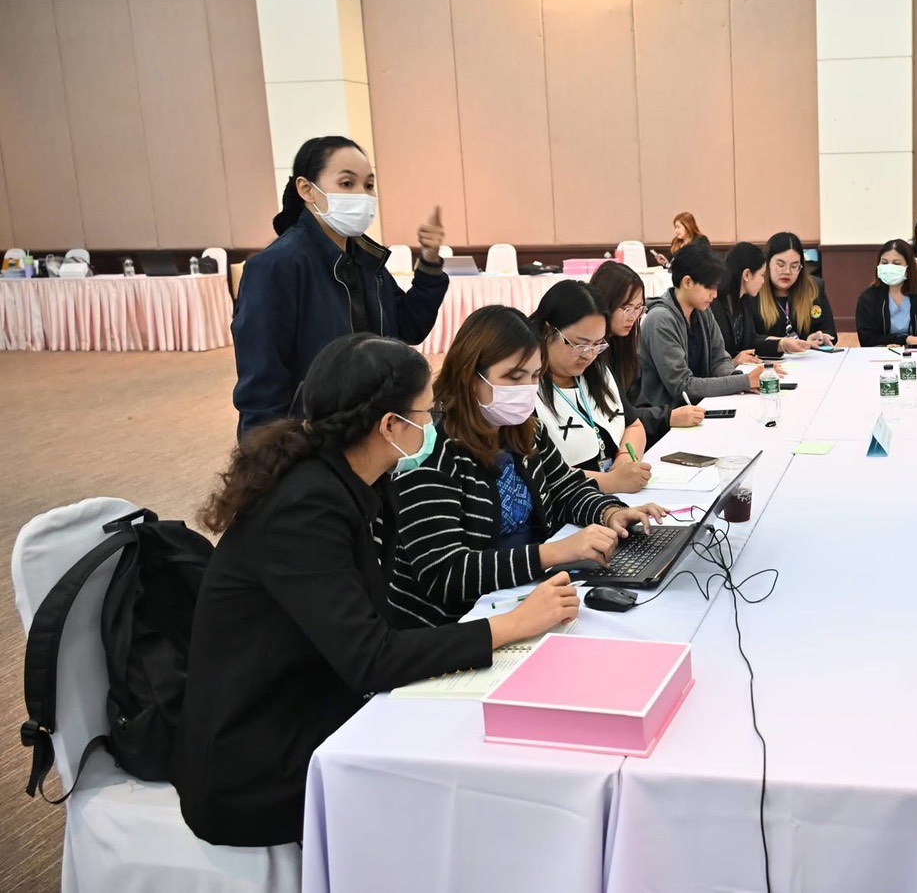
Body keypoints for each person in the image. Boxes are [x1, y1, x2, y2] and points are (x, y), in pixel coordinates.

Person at [175, 333, 580, 847]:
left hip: (320, 693)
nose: (433, 425)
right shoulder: (304, 509)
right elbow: (370, 657)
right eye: (427, 413)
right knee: (472, 781)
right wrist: (511, 625)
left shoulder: (357, 477)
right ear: (390, 425)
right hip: (259, 754)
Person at [387, 306, 664, 628]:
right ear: (470, 375)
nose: (526, 389)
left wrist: (609, 513)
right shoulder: (429, 449)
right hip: (458, 623)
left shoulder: (524, 429)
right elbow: (446, 574)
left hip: (526, 593)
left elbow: (565, 489)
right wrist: (554, 553)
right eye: (514, 377)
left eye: (535, 376)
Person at [231, 135, 448, 437]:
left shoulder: (365, 260)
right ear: (307, 189)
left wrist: (429, 262)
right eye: (347, 184)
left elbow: (408, 327)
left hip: (373, 430)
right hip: (314, 437)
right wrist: (269, 450)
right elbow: (261, 379)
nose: (362, 195)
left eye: (368, 185)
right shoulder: (277, 266)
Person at [531, 280, 653, 494]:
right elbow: (543, 471)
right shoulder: (526, 388)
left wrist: (624, 460)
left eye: (597, 344)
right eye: (580, 344)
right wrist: (610, 482)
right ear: (548, 331)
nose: (588, 355)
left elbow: (633, 426)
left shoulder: (598, 372)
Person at [588, 261, 704, 446]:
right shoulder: (590, 354)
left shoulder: (625, 345)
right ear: (606, 303)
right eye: (627, 308)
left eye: (638, 308)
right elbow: (613, 415)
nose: (633, 317)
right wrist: (667, 417)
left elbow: (636, 405)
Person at [640, 245, 765, 410]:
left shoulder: (702, 312)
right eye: (710, 287)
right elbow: (682, 386)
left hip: (702, 406)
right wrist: (742, 382)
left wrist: (738, 380)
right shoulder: (660, 319)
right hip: (668, 414)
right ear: (687, 282)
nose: (715, 294)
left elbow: (719, 360)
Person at [750, 231, 837, 353]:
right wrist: (780, 344)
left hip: (807, 359)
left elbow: (829, 331)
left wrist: (817, 338)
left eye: (794, 266)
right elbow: (749, 339)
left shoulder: (814, 288)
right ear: (767, 263)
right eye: (781, 265)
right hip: (768, 360)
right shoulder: (754, 290)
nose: (787, 271)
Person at [855, 238, 917, 347]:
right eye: (884, 262)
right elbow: (866, 339)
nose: (889, 268)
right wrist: (905, 340)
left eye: (896, 263)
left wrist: (910, 346)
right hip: (882, 353)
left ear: (908, 267)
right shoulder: (868, 298)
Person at [713, 241, 768, 361]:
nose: (763, 281)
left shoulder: (745, 301)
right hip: (723, 371)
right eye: (762, 275)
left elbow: (752, 341)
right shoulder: (714, 304)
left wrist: (782, 344)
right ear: (747, 274)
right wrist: (734, 362)